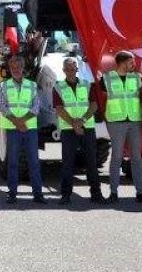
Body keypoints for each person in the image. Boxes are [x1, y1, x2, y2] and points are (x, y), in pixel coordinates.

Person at [52, 57, 104, 204]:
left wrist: (82, 121)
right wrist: (74, 124)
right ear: (63, 70)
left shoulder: (87, 85)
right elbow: (59, 109)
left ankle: (96, 194)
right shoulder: (58, 87)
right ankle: (66, 195)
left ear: (77, 70)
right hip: (68, 129)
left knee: (92, 163)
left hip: (87, 128)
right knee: (68, 163)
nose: (70, 71)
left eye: (73, 68)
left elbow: (94, 105)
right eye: (67, 69)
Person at [103, 50, 142, 204]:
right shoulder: (106, 78)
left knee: (136, 157)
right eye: (131, 62)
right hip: (116, 122)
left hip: (135, 121)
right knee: (116, 157)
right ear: (122, 63)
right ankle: (113, 193)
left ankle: (140, 192)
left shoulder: (138, 78)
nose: (134, 64)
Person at [0, 56, 44, 203]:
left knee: (34, 162)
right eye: (13, 68)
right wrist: (17, 122)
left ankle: (38, 194)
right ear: (10, 69)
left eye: (18, 67)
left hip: (29, 128)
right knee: (12, 162)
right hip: (13, 129)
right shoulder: (4, 86)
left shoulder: (32, 85)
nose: (16, 70)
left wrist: (22, 121)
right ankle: (12, 194)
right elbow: (3, 107)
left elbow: (36, 106)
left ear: (23, 68)